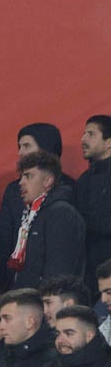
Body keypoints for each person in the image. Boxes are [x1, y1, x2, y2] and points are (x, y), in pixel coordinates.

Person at [5, 151, 85, 289]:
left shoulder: (61, 213)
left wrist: (46, 302)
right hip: (29, 300)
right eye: (21, 176)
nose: (21, 182)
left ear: (48, 180)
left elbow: (59, 269)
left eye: (28, 176)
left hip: (48, 302)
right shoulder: (30, 215)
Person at [76, 115, 111, 275]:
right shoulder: (83, 180)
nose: (83, 139)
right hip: (89, 268)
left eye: (91, 134)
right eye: (84, 134)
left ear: (109, 142)